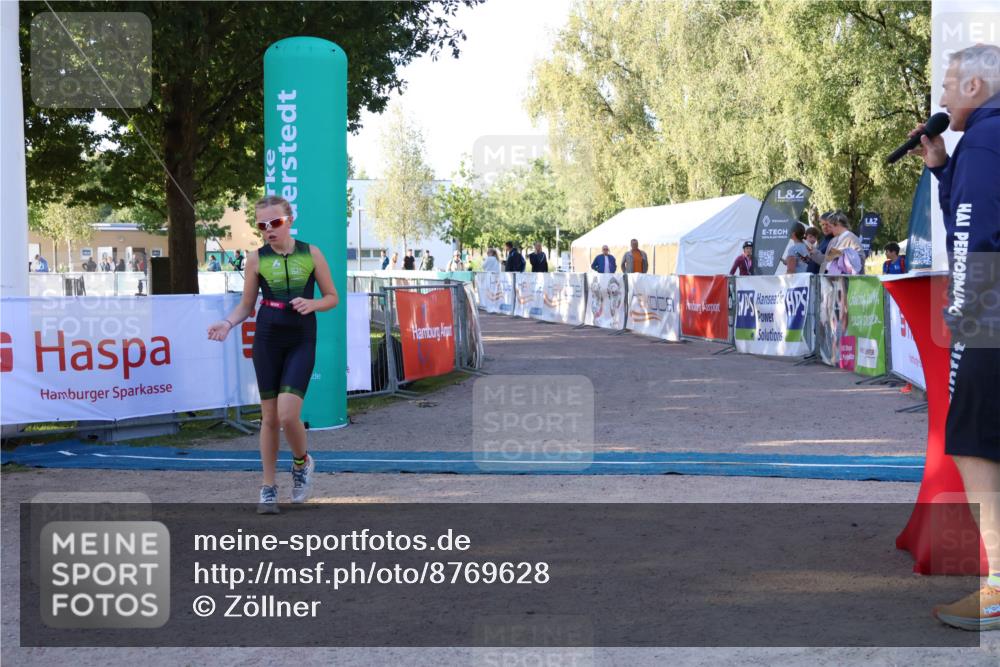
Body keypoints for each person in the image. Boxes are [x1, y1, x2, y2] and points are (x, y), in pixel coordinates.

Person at [908, 44, 1000, 631]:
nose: (939, 98)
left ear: (974, 87)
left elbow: (974, 232)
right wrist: (941, 167)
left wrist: (967, 306)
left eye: (946, 86)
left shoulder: (988, 141)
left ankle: (997, 587)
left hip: (992, 306)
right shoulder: (980, 143)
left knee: (972, 440)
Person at [207, 195, 339, 514]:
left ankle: (301, 463)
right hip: (266, 337)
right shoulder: (256, 259)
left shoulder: (312, 253)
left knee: (287, 415)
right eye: (263, 225)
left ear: (289, 219)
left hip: (301, 338)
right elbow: (246, 306)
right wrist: (226, 323)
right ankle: (268, 487)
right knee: (268, 418)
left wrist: (314, 304)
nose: (269, 230)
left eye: (275, 223)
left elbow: (332, 297)